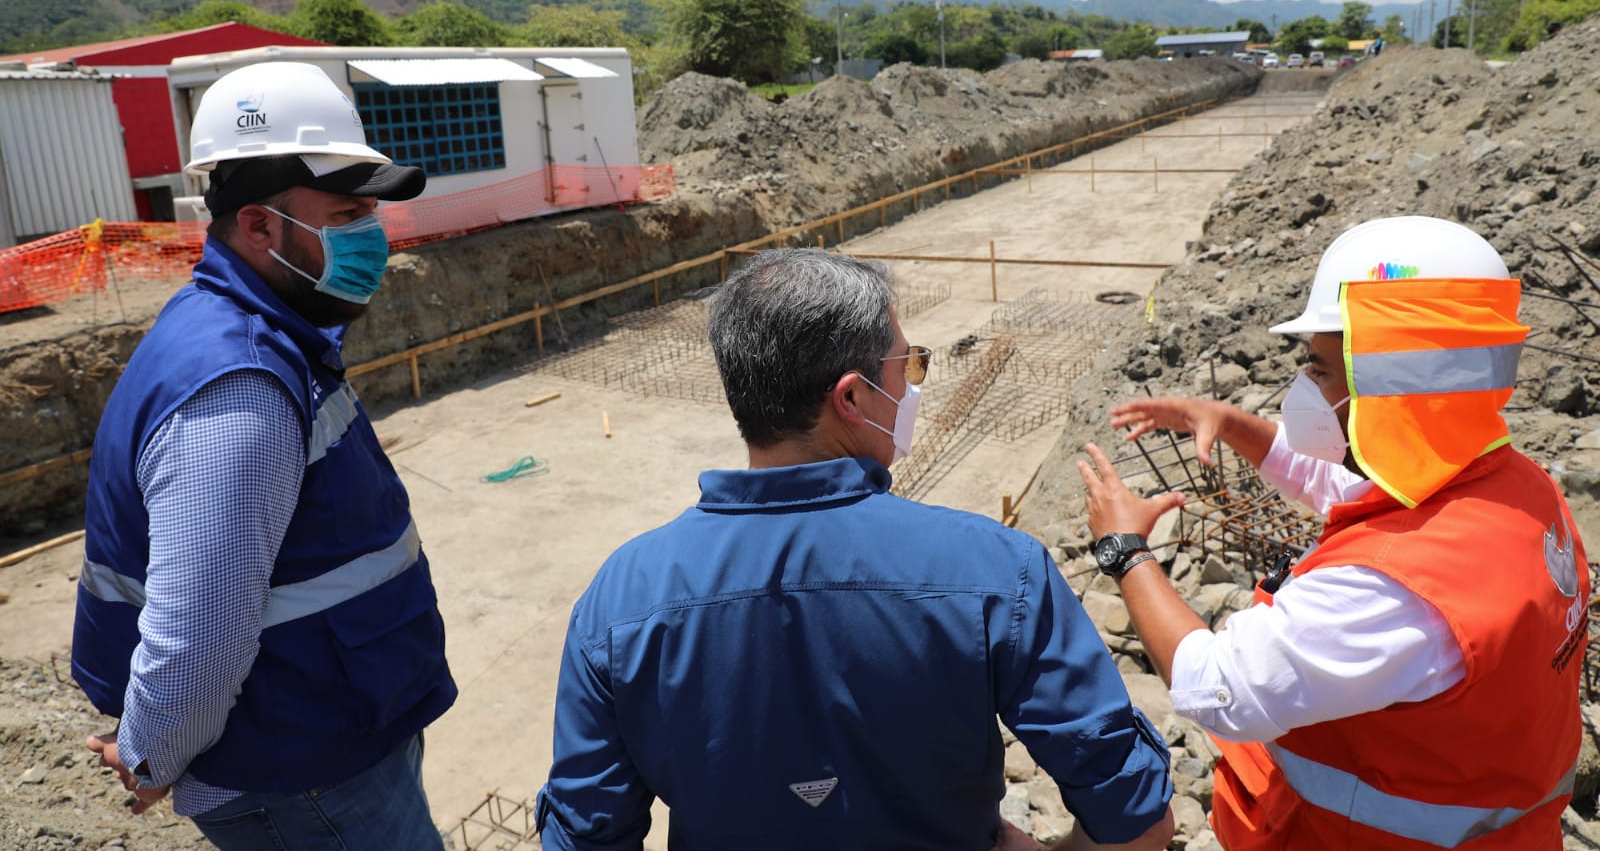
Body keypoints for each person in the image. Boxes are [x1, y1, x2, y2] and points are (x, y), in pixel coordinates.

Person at [536, 248, 1175, 851]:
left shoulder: (619, 599)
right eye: (907, 366)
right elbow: (1138, 821)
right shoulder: (996, 572)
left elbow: (584, 833)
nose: (913, 386)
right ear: (851, 397)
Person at [1078, 215, 1588, 849]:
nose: (1305, 388)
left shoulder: (1391, 590)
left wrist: (1125, 552)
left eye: (1319, 368)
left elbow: (1219, 687)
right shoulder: (1512, 487)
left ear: (1392, 381)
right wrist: (1230, 422)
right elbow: (1336, 482)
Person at [72, 61, 457, 850]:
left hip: (331, 735)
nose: (371, 237)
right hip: (302, 777)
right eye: (347, 214)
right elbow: (197, 632)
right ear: (258, 228)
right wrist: (150, 758)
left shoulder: (259, 333)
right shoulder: (238, 385)